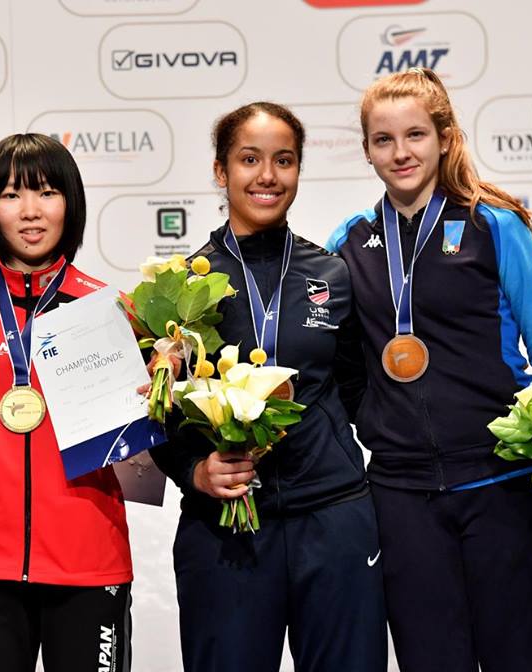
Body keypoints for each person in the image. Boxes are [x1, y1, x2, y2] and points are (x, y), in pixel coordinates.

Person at [325, 68, 532, 672]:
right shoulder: (349, 244)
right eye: (383, 140)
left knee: (519, 658)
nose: (401, 152)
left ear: (444, 138)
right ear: (367, 151)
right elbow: (341, 364)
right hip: (403, 497)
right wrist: (373, 419)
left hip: (504, 485)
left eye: (415, 135)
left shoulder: (495, 225)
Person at [151, 102, 387, 672]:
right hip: (225, 527)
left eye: (284, 160)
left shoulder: (331, 274)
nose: (268, 176)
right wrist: (194, 472)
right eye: (249, 159)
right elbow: (157, 415)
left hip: (332, 518)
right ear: (220, 170)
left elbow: (358, 392)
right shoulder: (181, 289)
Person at [0, 133, 132, 672]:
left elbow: (139, 448)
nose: (30, 211)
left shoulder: (112, 309)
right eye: (11, 194)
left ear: (70, 203)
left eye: (46, 192)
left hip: (89, 561)